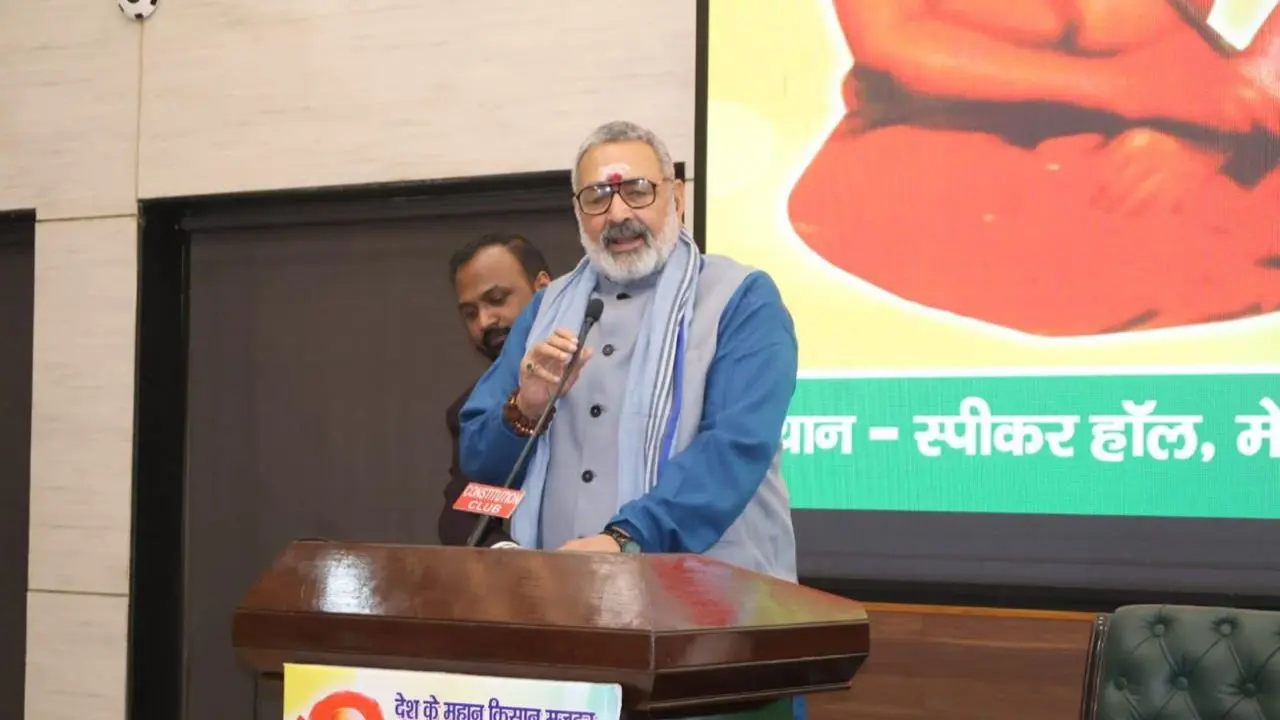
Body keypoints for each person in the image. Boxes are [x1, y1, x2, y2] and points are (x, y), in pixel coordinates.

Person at [788, 0, 1280, 336]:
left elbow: (1218, 91)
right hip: (945, 130)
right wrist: (1132, 90)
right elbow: (892, 41)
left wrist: (1220, 125)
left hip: (1186, 126)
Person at [457, 120, 800, 579]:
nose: (618, 214)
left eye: (638, 191)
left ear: (677, 197)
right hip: (558, 598)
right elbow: (480, 462)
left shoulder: (741, 299)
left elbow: (735, 448)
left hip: (713, 601)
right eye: (597, 197)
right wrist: (525, 409)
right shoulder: (546, 309)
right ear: (578, 212)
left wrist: (625, 540)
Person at [439, 232, 551, 547]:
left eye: (497, 299)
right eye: (470, 313)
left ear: (544, 289)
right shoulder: (471, 412)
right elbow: (464, 513)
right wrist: (507, 556)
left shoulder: (601, 369)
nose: (485, 321)